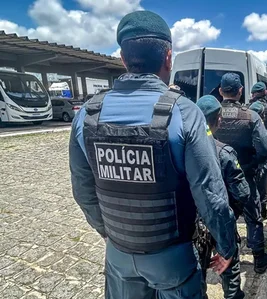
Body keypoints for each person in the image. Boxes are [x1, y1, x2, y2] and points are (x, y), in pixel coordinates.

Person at [69, 11, 237, 299]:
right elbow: (211, 194)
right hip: (172, 258)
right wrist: (226, 246)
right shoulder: (184, 113)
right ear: (168, 57)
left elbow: (83, 191)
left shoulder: (87, 115)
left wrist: (109, 234)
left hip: (119, 256)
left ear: (123, 58)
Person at [214, 73, 267, 274]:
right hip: (245, 176)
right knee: (253, 216)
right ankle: (259, 258)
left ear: (221, 91)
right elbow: (265, 148)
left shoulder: (209, 114)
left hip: (216, 177)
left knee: (221, 215)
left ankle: (223, 255)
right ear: (240, 91)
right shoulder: (251, 116)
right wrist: (253, 165)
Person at [196, 95, 250, 299]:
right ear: (219, 119)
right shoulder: (224, 152)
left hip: (194, 226)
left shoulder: (182, 148)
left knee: (197, 270)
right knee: (229, 262)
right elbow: (242, 193)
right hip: (220, 219)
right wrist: (230, 215)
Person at [249, 101, 267, 220]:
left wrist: (263, 168)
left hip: (260, 169)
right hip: (251, 169)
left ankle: (262, 212)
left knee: (261, 194)